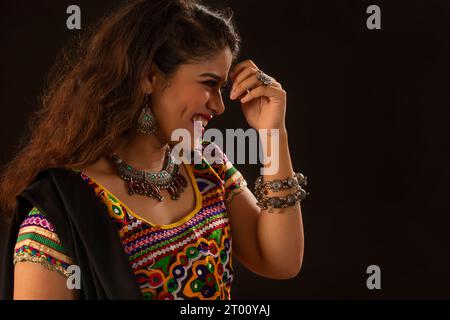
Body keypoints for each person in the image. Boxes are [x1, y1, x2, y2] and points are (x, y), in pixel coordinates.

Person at [0, 0, 306, 300]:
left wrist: (273, 134)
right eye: (209, 83)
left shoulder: (206, 167)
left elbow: (281, 262)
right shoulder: (59, 217)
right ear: (149, 77)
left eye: (222, 88)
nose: (219, 105)